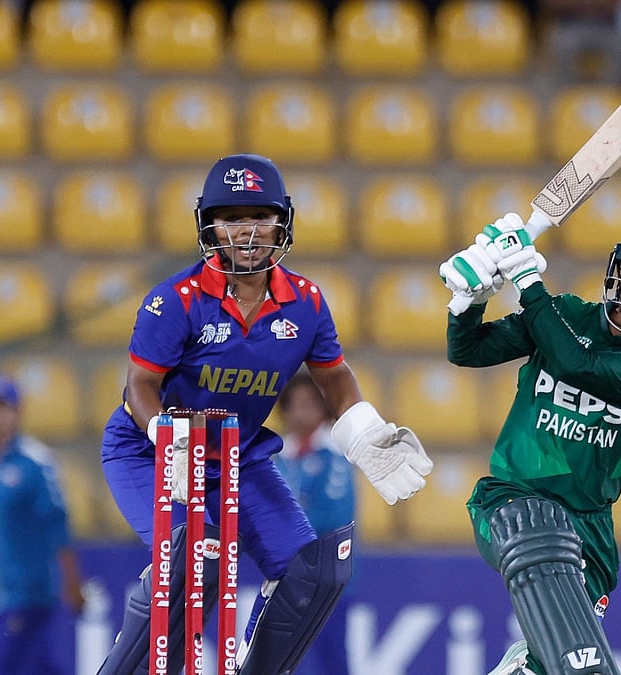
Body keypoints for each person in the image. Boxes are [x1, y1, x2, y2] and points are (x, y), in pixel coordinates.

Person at [96, 153, 433, 675]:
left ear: (283, 223)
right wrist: (167, 436)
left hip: (239, 454)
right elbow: (140, 384)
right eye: (232, 219)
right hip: (150, 450)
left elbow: (334, 376)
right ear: (209, 226)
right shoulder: (175, 301)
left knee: (311, 574)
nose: (248, 233)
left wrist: (363, 431)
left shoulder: (305, 302)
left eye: (261, 217)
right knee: (194, 559)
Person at [439, 210, 621, 675]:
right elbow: (468, 350)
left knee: (567, 667)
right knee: (574, 649)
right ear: (619, 273)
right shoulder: (565, 314)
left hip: (590, 531)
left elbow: (578, 364)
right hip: (510, 503)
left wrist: (525, 278)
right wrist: (470, 301)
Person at [0, 374, 86, 675]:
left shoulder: (34, 461)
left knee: (10, 666)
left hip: (31, 588)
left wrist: (71, 580)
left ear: (17, 411)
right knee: (38, 666)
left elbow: (56, 524)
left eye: (1, 408)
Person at [271, 372, 356, 675]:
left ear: (323, 408)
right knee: (281, 661)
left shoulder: (334, 453)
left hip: (326, 578)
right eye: (296, 404)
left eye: (311, 403)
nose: (303, 411)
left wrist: (284, 527)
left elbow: (335, 516)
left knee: (331, 660)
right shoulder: (278, 455)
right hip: (286, 581)